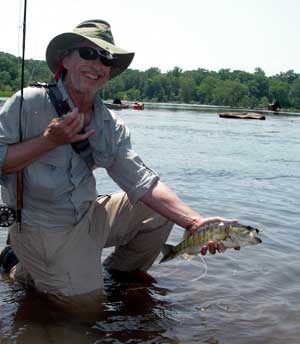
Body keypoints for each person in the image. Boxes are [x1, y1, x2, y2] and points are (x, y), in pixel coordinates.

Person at [0, 20, 238, 307]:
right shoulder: (28, 102)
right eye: (88, 53)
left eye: (106, 58)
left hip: (87, 216)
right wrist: (49, 141)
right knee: (85, 310)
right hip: (43, 228)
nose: (97, 64)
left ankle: (114, 275)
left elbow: (142, 182)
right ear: (66, 59)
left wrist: (194, 222)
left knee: (157, 212)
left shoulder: (109, 123)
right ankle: (20, 265)